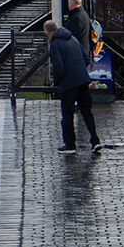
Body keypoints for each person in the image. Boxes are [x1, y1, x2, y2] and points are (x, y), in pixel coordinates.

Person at [45, 20, 100, 154]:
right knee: (87, 112)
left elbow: (59, 68)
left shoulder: (55, 44)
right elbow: (86, 59)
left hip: (69, 84)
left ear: (47, 32)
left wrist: (57, 82)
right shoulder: (73, 39)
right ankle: (95, 141)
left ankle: (70, 145)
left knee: (67, 114)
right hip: (82, 80)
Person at [64, 0, 94, 64]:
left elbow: (74, 37)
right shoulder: (84, 14)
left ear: (71, 4)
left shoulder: (76, 18)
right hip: (84, 51)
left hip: (78, 54)